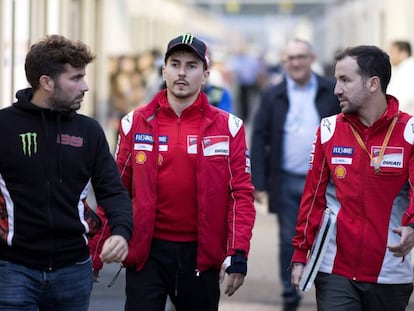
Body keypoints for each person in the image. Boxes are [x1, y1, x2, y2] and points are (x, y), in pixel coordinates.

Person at [90, 33, 256, 311]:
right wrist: (96, 250)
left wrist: (237, 252)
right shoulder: (135, 122)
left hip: (201, 257)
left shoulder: (229, 127)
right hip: (147, 253)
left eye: (191, 66)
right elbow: (116, 190)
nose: (182, 72)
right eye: (175, 63)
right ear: (163, 70)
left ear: (205, 75)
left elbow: (240, 194)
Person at [0, 34, 133, 310]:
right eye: (75, 78)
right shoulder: (4, 126)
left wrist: (121, 232)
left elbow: (113, 190)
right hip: (12, 270)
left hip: (73, 270)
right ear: (46, 82)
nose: (85, 86)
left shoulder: (89, 131)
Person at [291, 45, 414, 310]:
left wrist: (412, 226)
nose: (336, 89)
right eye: (337, 80)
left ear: (373, 84)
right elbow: (313, 198)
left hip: (391, 272)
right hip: (334, 268)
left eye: (345, 80)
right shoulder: (328, 129)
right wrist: (300, 255)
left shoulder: (409, 132)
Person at [250, 38, 340, 311]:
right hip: (286, 178)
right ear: (284, 62)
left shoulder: (330, 90)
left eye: (301, 57)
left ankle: (333, 291)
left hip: (327, 182)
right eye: (290, 58)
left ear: (312, 58)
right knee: (290, 237)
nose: (296, 63)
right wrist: (259, 182)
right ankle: (290, 292)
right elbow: (259, 137)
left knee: (332, 235)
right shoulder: (272, 94)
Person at [387, 40, 414, 114]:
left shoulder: (408, 69)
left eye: (392, 52)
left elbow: (401, 100)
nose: (389, 55)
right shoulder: (403, 68)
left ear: (403, 54)